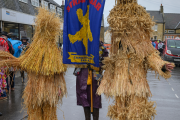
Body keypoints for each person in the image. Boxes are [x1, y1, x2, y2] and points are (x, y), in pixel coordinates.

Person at [74, 41, 108, 120]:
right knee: (84, 99)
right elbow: (74, 58)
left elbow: (106, 60)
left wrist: (97, 66)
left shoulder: (100, 46)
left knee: (96, 100)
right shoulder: (80, 44)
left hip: (95, 77)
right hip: (83, 76)